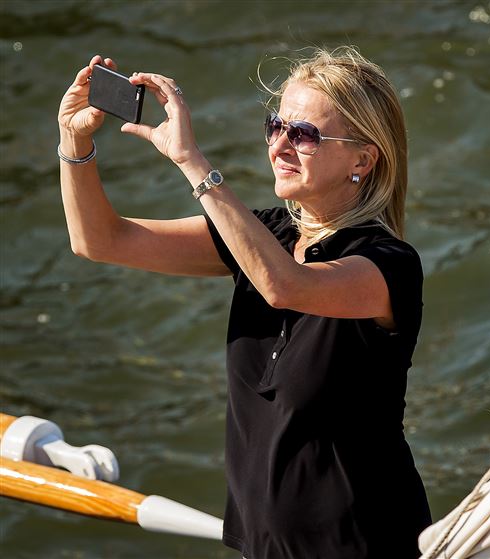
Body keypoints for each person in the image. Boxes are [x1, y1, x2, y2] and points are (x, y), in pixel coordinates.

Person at [56, 48, 431, 558]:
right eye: (276, 126)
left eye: (304, 135)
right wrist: (74, 142)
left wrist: (192, 161)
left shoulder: (388, 264)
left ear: (362, 160)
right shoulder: (263, 235)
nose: (280, 146)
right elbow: (100, 241)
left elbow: (284, 285)